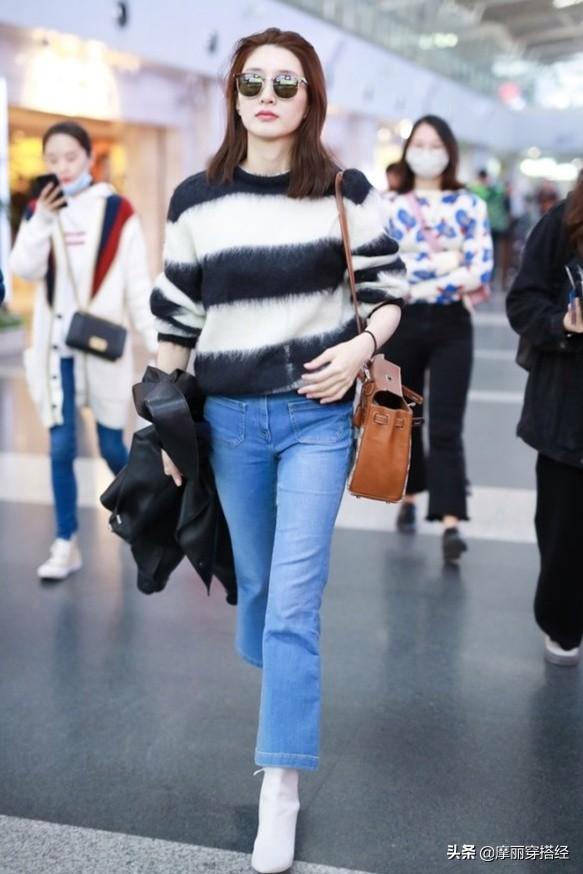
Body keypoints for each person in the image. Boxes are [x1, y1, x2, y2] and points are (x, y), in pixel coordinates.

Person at [150, 27, 406, 874]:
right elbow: (176, 323)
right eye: (251, 81)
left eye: (285, 84)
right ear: (233, 94)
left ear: (310, 99)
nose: (266, 95)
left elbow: (388, 293)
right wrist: (162, 428)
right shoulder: (195, 200)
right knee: (258, 589)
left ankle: (280, 785)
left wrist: (359, 348)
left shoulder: (342, 190)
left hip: (315, 423)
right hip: (229, 423)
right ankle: (284, 687)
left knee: (293, 605)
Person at [10, 121, 156, 581]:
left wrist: (161, 347)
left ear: (90, 157)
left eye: (70, 157)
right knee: (60, 449)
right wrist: (41, 220)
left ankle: (143, 521)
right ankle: (65, 542)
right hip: (57, 353)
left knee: (112, 446)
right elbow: (23, 269)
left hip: (102, 350)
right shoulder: (41, 210)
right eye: (52, 159)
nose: (62, 167)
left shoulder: (117, 211)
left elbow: (137, 287)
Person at [383, 115, 493, 562]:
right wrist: (448, 262)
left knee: (447, 424)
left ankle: (451, 521)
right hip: (400, 321)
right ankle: (409, 497)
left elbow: (479, 269)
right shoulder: (387, 204)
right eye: (419, 144)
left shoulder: (470, 204)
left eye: (435, 145)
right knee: (405, 417)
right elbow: (383, 267)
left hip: (452, 324)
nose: (426, 153)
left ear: (450, 152)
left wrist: (417, 273)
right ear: (408, 150)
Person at [506, 182, 583, 667]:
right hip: (567, 410)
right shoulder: (563, 223)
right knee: (562, 527)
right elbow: (523, 302)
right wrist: (564, 324)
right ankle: (563, 621)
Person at [472, 168, 512, 289]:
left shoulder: (475, 191)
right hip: (498, 226)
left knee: (483, 253)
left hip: (482, 227)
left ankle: (487, 279)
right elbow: (507, 206)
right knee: (495, 253)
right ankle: (493, 278)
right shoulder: (497, 190)